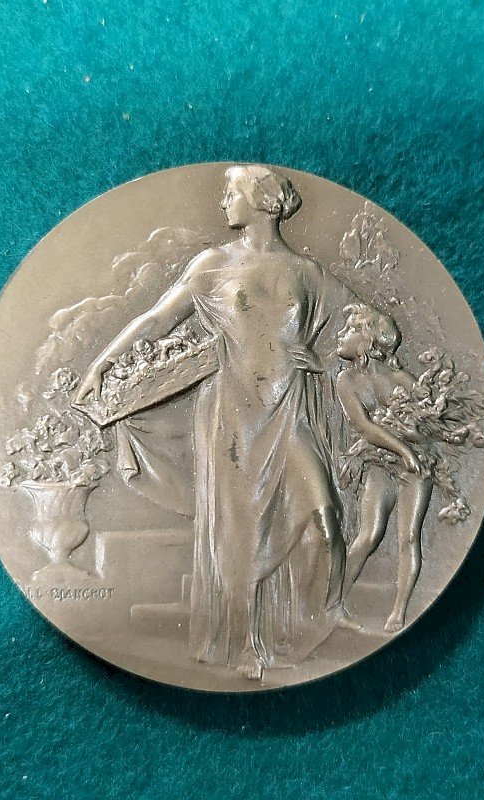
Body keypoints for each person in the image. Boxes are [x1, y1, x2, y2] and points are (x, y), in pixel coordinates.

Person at [76, 165, 357, 679]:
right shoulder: (213, 264)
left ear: (263, 200)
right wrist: (102, 364)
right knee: (239, 531)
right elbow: (157, 319)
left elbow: (362, 327)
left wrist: (321, 357)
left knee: (324, 518)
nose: (224, 202)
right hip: (232, 413)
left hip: (288, 409)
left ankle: (324, 617)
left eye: (231, 193)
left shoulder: (308, 273)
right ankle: (245, 641)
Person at [335, 304, 433, 632]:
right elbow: (363, 427)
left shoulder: (401, 379)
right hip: (383, 463)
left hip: (416, 468)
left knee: (408, 537)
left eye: (350, 330)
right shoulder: (346, 380)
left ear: (368, 341)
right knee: (369, 534)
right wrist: (403, 448)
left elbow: (429, 426)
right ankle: (333, 602)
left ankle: (399, 611)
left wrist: (413, 437)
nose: (341, 335)